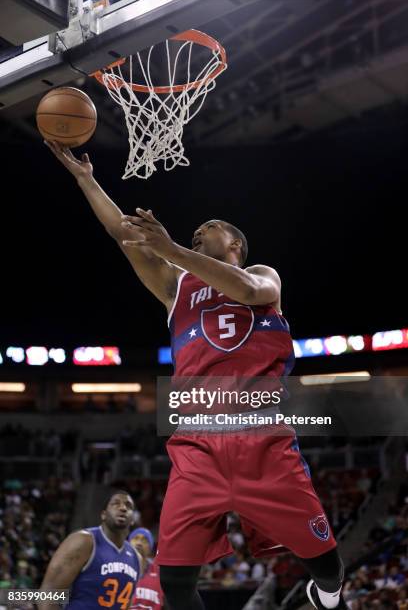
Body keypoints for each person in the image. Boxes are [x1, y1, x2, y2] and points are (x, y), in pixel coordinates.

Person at [45, 141, 347, 610]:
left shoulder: (262, 276)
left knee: (327, 566)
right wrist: (85, 179)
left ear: (235, 245)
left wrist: (171, 249)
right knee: (176, 583)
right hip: (197, 445)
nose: (198, 230)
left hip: (262, 440)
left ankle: (325, 592)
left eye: (209, 228)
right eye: (195, 230)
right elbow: (122, 232)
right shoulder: (175, 287)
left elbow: (245, 288)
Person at [39, 490, 141, 609]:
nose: (123, 508)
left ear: (133, 519)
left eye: (128, 506)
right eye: (116, 503)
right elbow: (47, 594)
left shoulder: (136, 557)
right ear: (103, 514)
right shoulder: (83, 541)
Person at [128, 527, 164, 609]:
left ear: (150, 549)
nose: (139, 543)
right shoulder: (119, 569)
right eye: (135, 538)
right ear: (128, 543)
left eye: (145, 540)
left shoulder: (160, 573)